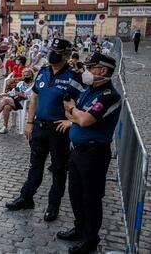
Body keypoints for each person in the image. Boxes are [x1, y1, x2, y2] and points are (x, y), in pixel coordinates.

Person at [5, 39, 84, 222]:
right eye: (51, 50)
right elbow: (34, 98)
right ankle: (26, 197)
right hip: (39, 127)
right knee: (35, 165)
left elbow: (83, 103)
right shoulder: (43, 72)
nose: (51, 53)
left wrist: (71, 122)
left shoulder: (74, 77)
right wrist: (29, 122)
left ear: (65, 55)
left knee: (58, 169)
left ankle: (53, 205)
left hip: (59, 130)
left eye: (56, 51)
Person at [57, 53, 121, 254]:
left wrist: (74, 111)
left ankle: (90, 239)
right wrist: (75, 113)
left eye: (90, 67)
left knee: (90, 198)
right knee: (75, 194)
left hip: (94, 153)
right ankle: (79, 229)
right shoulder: (88, 90)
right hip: (77, 151)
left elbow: (85, 120)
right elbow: (71, 114)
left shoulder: (109, 96)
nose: (86, 71)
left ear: (102, 70)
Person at [0, 69, 34, 134]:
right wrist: (4, 94)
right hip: (15, 101)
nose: (25, 77)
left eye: (27, 75)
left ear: (31, 76)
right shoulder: (20, 83)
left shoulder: (33, 85)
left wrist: (23, 95)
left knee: (6, 100)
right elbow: (13, 92)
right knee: (6, 107)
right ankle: (5, 127)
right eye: (24, 75)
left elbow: (32, 97)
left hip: (24, 103)